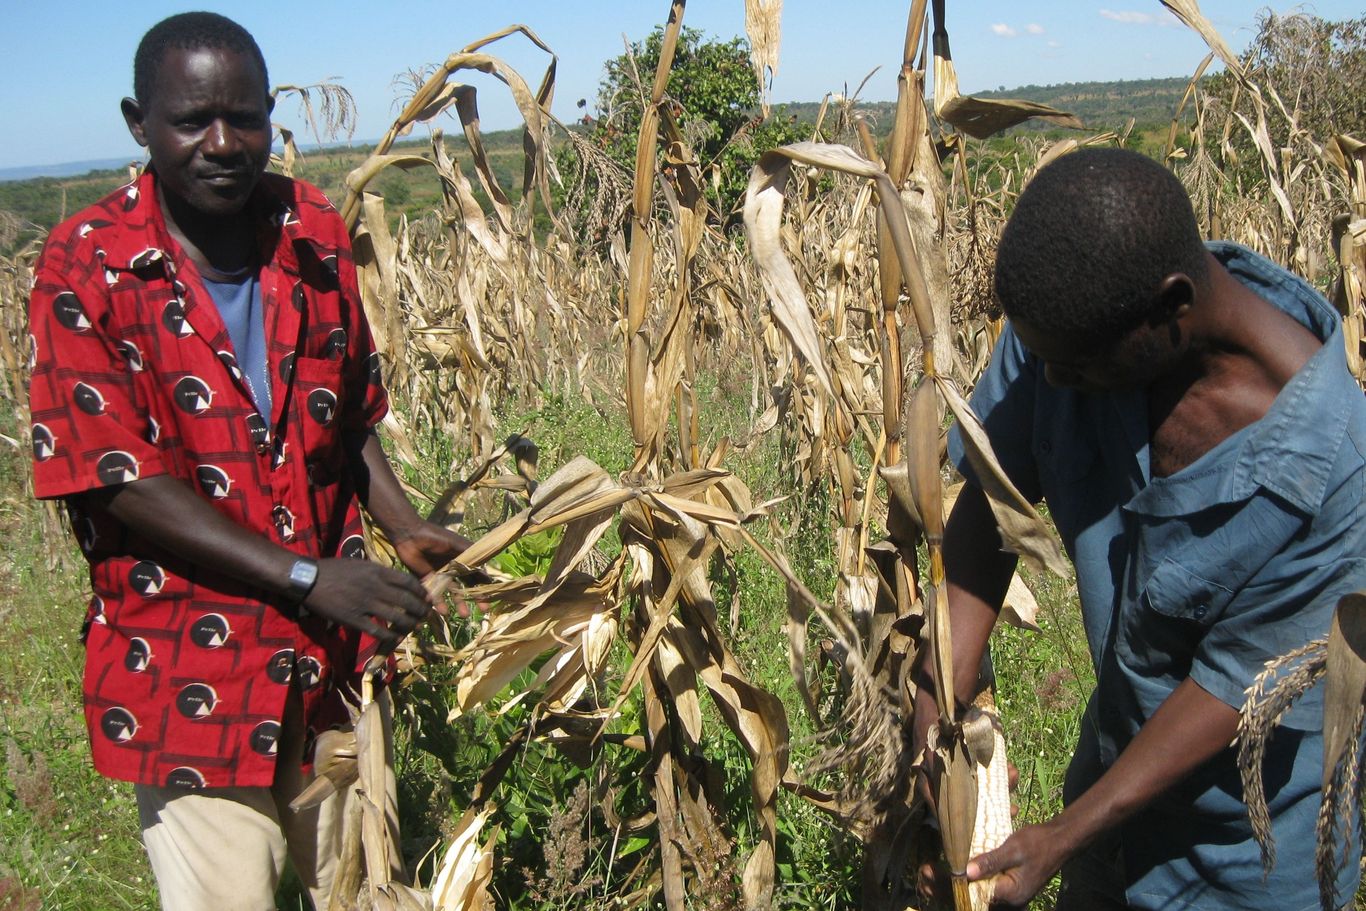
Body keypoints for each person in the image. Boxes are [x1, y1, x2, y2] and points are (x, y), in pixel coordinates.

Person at [25, 12, 469, 910]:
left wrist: (407, 527)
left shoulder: (310, 231)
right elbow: (121, 480)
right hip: (187, 671)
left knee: (360, 889)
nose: (223, 143)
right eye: (192, 121)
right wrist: (307, 575)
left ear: (272, 117)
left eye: (246, 118)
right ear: (137, 121)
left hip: (331, 664)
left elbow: (346, 416)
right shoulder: (88, 266)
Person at [914, 148, 1366, 909]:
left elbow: (1231, 688)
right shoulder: (1072, 324)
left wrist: (1064, 833)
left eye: (1075, 369)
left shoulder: (1334, 472)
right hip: (1112, 768)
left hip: (1244, 851)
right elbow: (993, 500)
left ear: (1171, 307)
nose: (1052, 382)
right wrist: (938, 710)